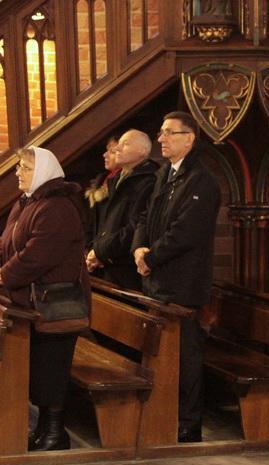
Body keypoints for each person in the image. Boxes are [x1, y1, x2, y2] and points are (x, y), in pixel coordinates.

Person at [0, 146, 89, 452]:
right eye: (19, 167)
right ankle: (43, 430)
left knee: (52, 368)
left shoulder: (57, 207)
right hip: (32, 303)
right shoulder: (25, 203)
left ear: (43, 171)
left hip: (55, 304)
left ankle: (56, 433)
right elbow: (2, 242)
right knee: (41, 367)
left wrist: (7, 274)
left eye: (25, 168)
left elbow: (40, 254)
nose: (18, 173)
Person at [132, 111, 221, 442]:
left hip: (184, 283)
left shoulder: (202, 181)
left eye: (170, 132)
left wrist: (151, 258)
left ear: (189, 138)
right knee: (161, 353)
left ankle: (188, 421)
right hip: (156, 279)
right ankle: (164, 413)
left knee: (185, 355)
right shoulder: (165, 174)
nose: (162, 138)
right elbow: (144, 216)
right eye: (161, 132)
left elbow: (186, 232)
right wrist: (138, 249)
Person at [86, 130, 158, 290]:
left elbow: (135, 226)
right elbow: (103, 224)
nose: (117, 148)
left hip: (125, 269)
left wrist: (100, 252)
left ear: (142, 151)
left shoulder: (149, 181)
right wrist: (93, 251)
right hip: (104, 264)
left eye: (125, 144)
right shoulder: (116, 179)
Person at [85, 136, 120, 243]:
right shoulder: (102, 179)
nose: (105, 155)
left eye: (112, 152)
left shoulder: (122, 181)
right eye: (107, 150)